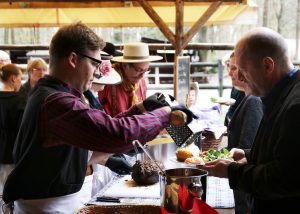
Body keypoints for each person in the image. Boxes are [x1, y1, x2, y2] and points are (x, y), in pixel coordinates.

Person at [2, 22, 195, 213]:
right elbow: (116, 133)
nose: (97, 71)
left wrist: (141, 109)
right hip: (45, 208)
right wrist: (165, 114)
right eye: (95, 63)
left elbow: (99, 134)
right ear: (73, 59)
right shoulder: (56, 102)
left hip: (55, 203)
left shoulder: (54, 95)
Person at [202, 27, 300, 213]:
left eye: (243, 70)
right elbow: (283, 152)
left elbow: (285, 178)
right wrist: (249, 154)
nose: (238, 77)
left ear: (268, 66)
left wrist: (231, 172)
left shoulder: (296, 106)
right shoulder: (281, 93)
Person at [224, 52, 263, 214]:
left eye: (236, 68)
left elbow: (248, 146)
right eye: (231, 67)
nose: (231, 73)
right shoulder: (248, 98)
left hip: (246, 186)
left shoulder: (254, 100)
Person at [98, 42, 163, 116]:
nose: (142, 76)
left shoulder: (142, 82)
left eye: (145, 71)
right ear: (125, 65)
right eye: (139, 70)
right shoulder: (108, 81)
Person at [0, 64, 26, 213]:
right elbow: (22, 130)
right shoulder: (20, 101)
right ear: (13, 78)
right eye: (19, 79)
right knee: (10, 193)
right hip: (12, 152)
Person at [223, 52, 245, 127]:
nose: (229, 72)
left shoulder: (253, 100)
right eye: (228, 66)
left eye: (234, 68)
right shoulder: (235, 86)